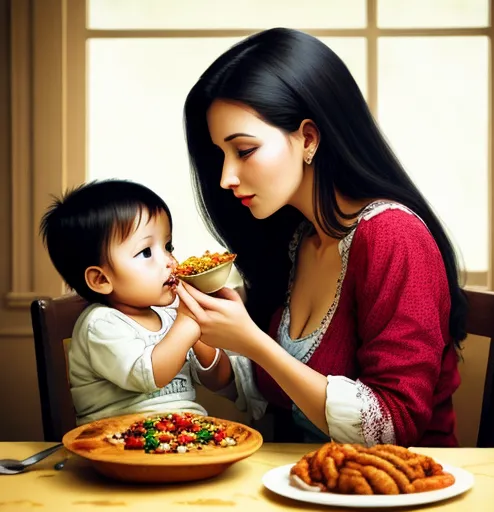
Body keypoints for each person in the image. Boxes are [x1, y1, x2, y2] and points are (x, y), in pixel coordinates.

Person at [178, 27, 468, 447]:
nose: (225, 177)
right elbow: (277, 388)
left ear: (308, 138)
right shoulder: (298, 240)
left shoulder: (392, 235)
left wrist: (256, 344)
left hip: (397, 493)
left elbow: (393, 425)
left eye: (243, 151)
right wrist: (208, 332)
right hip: (301, 484)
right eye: (219, 156)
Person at [40, 179, 232, 425]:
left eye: (167, 246)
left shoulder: (171, 316)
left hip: (183, 434)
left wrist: (201, 331)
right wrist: (188, 323)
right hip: (115, 442)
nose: (170, 261)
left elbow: (219, 380)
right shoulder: (100, 324)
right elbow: (149, 376)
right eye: (146, 252)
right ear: (101, 279)